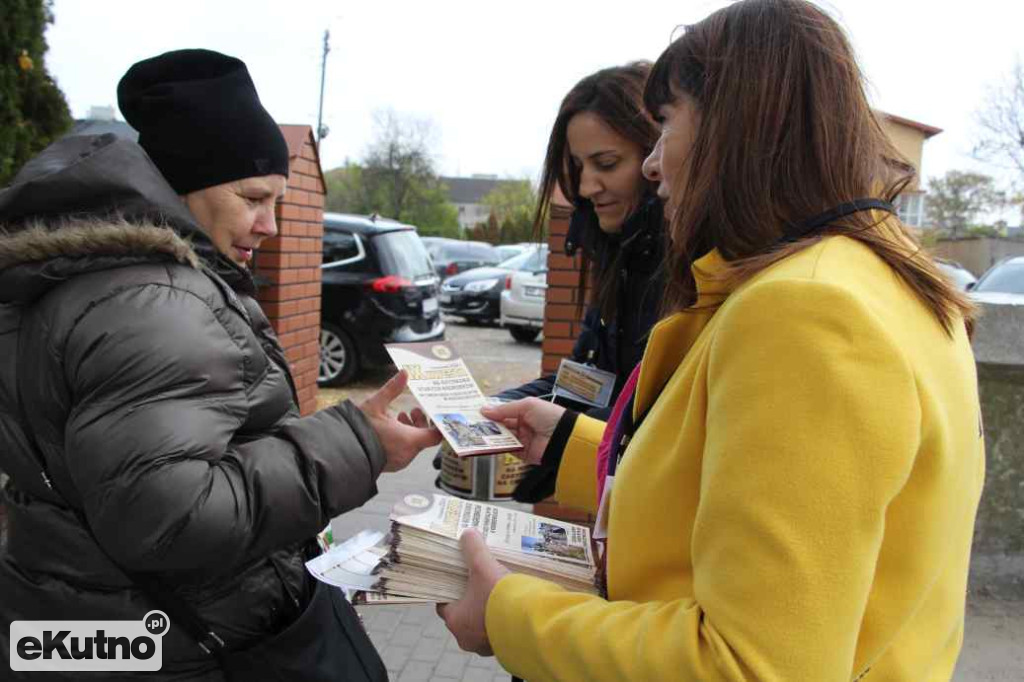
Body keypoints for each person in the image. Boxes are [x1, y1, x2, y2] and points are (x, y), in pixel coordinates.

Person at [437, 2, 985, 680]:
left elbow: (748, 664)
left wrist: (507, 614)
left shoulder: (808, 310)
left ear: (739, 123)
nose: (654, 165)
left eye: (664, 124)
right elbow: (753, 497)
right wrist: (579, 448)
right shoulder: (884, 278)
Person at [0, 49, 439, 681]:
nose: (270, 224)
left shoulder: (100, 278)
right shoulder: (155, 303)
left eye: (279, 200)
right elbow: (167, 519)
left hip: (93, 622)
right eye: (253, 197)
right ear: (186, 183)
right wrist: (359, 446)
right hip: (182, 641)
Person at [433, 63, 666, 503]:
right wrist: (489, 414)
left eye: (607, 163)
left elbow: (664, 431)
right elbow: (584, 381)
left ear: (657, 157)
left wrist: (559, 438)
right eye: (576, 166)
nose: (586, 185)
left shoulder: (692, 276)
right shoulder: (618, 258)